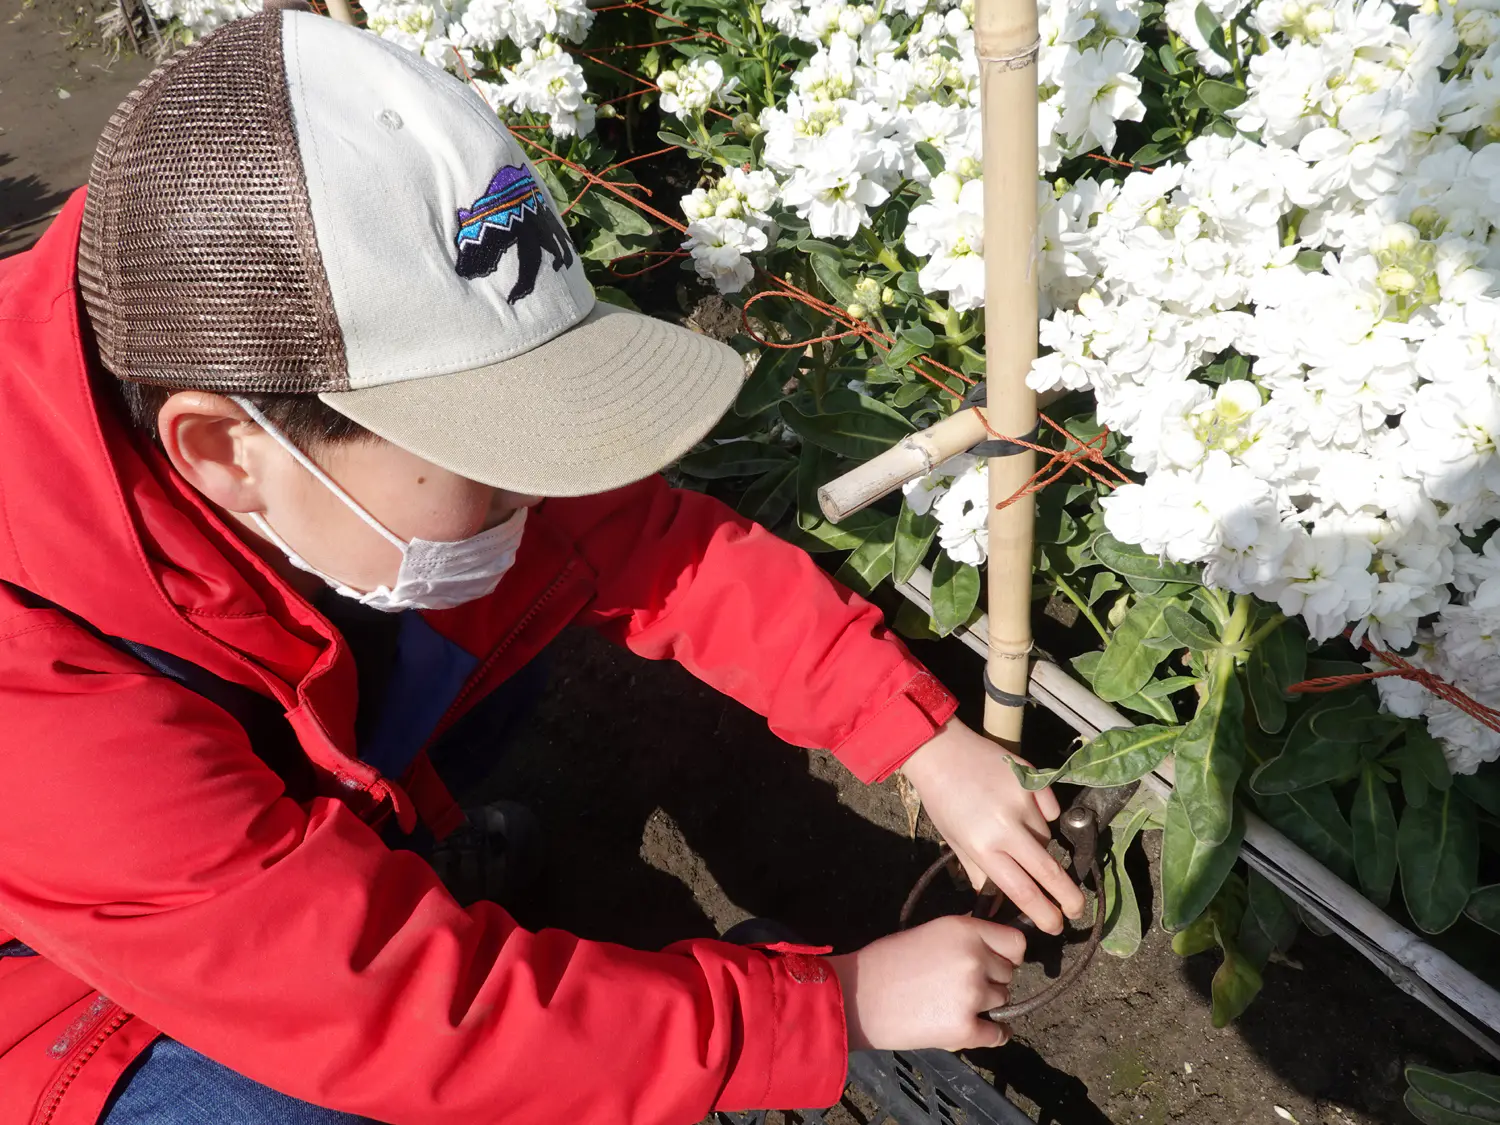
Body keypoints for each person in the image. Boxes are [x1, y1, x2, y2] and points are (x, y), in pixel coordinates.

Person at [0, 7, 1085, 1125]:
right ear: (225, 451)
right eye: (489, 453)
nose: (545, 493)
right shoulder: (32, 691)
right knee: (321, 1097)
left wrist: (918, 735)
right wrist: (831, 1008)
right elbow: (396, 1013)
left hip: (244, 795)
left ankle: (393, 855)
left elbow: (645, 542)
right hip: (59, 1007)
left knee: (507, 588)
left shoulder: (204, 296)